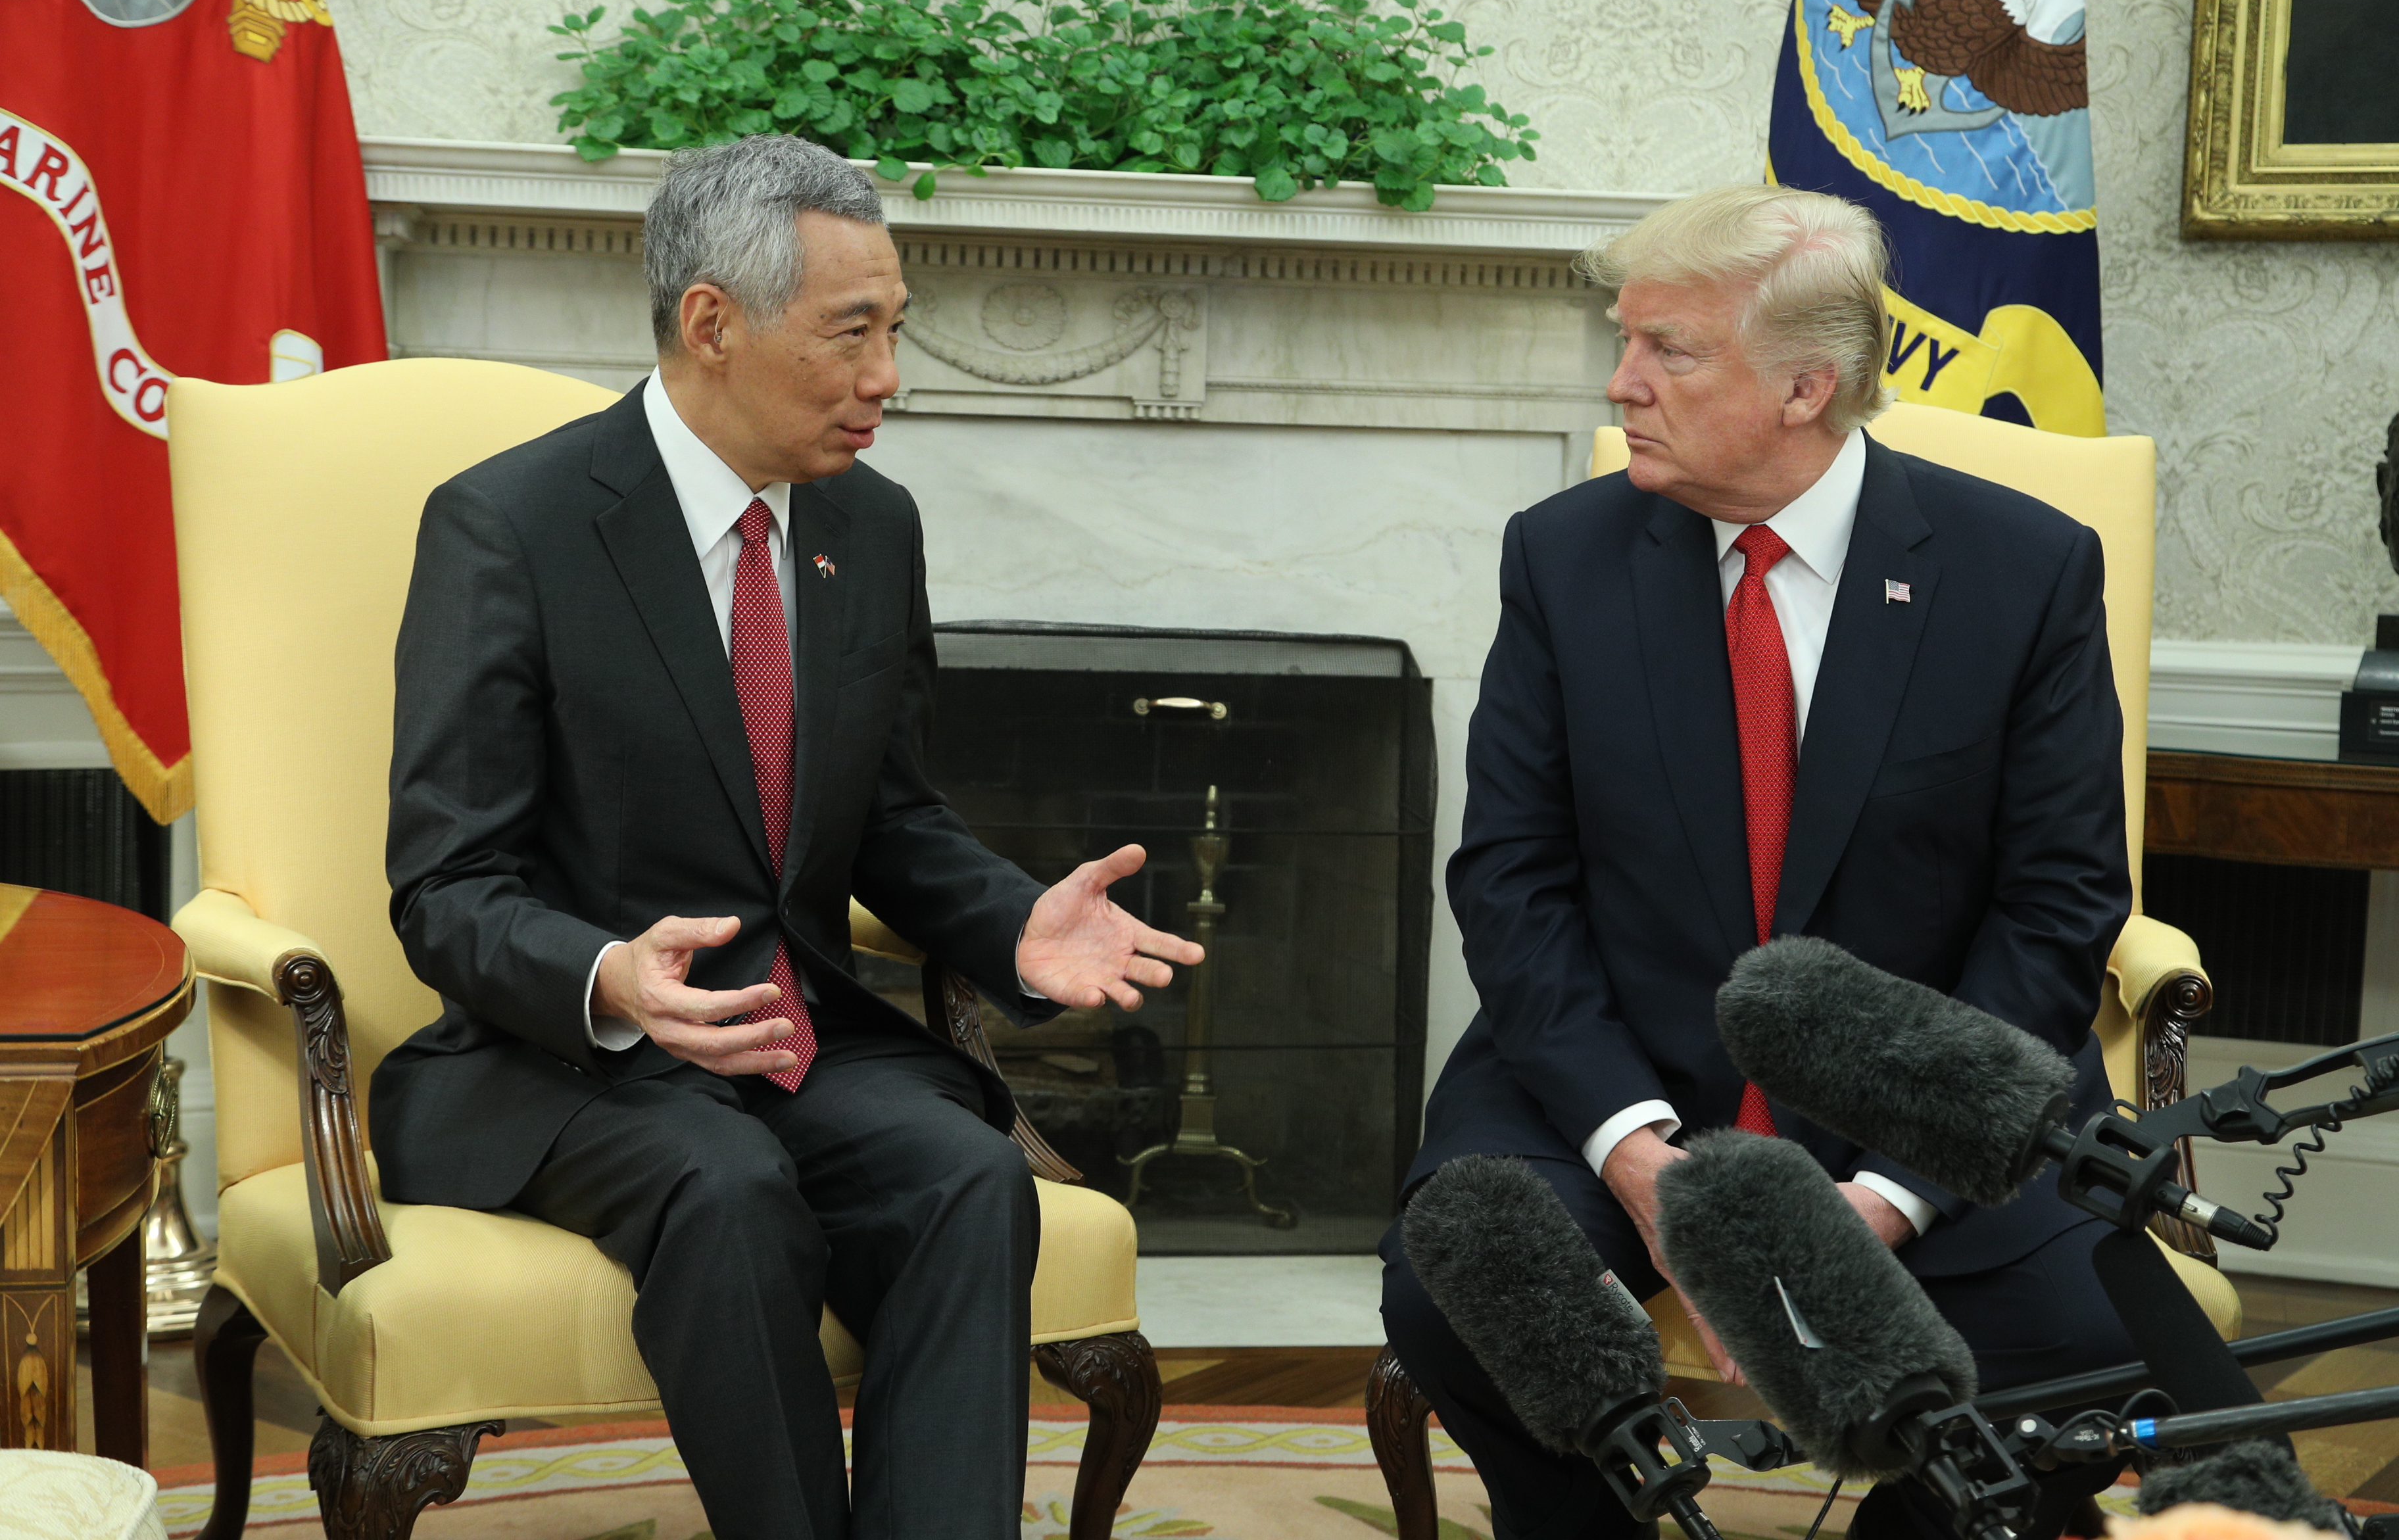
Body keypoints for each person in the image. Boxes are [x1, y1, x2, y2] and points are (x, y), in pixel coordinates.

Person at [370, 133, 1201, 1540]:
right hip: (567, 1061)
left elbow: (886, 816)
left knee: (966, 1174)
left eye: (897, 330)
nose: (888, 376)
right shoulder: (509, 526)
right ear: (712, 324)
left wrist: (1009, 921)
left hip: (801, 1037)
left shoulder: (869, 526)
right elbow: (444, 885)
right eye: (851, 333)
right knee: (729, 1184)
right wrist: (611, 977)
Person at [1379, 183, 2142, 1540]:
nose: (1621, 386)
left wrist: (1892, 1197)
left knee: (2082, 1338)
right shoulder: (1565, 556)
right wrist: (1636, 1157)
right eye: (1624, 342)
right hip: (1617, 1073)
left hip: (1918, 1090)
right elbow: (1511, 877)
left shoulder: (2019, 571)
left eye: (1669, 350)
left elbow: (2057, 903)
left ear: (1809, 385)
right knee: (1461, 1282)